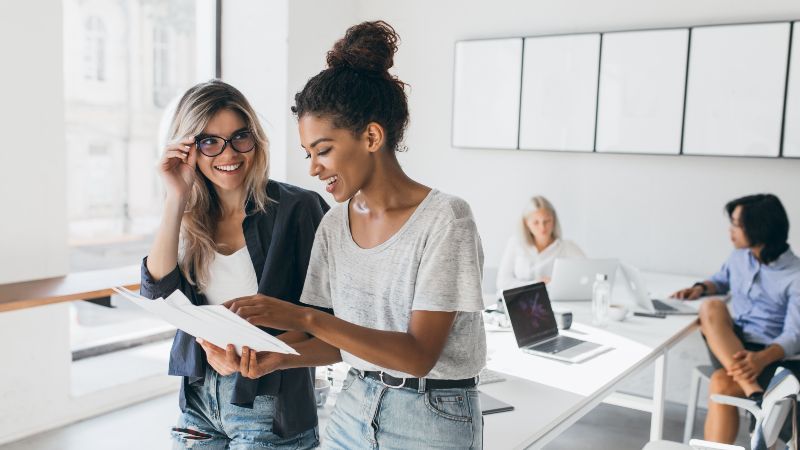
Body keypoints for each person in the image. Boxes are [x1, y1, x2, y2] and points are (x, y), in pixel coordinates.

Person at [225, 21, 487, 449]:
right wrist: (274, 358)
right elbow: (336, 344)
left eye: (323, 150)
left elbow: (417, 356)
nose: (314, 168)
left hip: (432, 415)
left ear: (371, 136)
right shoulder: (334, 225)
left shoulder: (445, 220)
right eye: (308, 154)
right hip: (354, 406)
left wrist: (303, 318)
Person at [139, 80, 328, 449]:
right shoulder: (189, 217)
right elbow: (158, 293)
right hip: (198, 403)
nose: (229, 153)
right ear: (189, 149)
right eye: (209, 142)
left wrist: (254, 356)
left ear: (255, 139)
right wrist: (176, 196)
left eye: (240, 137)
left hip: (270, 405)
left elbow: (327, 320)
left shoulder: (298, 209)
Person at [671, 194, 800, 443]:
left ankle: (756, 400)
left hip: (774, 357)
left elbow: (794, 336)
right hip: (734, 347)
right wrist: (700, 288)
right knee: (711, 306)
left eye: (737, 225)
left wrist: (761, 359)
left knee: (721, 382)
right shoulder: (739, 257)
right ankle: (756, 394)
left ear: (759, 227)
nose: (730, 231)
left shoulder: (796, 274)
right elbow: (720, 281)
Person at [496, 195, 584, 293]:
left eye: (547, 221)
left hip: (554, 301)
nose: (542, 227)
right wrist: (536, 285)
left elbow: (586, 276)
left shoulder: (567, 247)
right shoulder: (515, 243)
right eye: (536, 222)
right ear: (526, 223)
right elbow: (502, 283)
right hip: (521, 300)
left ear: (554, 220)